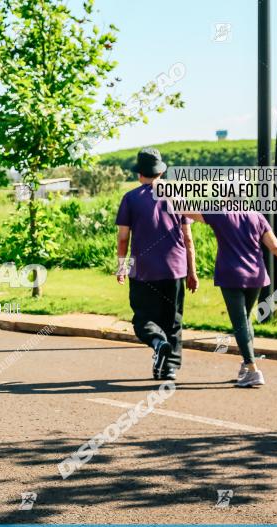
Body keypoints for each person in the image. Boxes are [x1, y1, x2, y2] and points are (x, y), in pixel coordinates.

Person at [184, 211, 277, 387]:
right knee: (246, 320)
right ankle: (246, 366)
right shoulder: (256, 216)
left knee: (240, 322)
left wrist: (164, 193)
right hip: (256, 276)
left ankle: (253, 370)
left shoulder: (220, 214)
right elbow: (275, 246)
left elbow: (186, 211)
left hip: (231, 277)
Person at [115, 147, 198, 380]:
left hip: (144, 272)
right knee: (173, 321)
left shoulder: (130, 199)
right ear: (160, 173)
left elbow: (123, 239)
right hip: (176, 270)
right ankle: (170, 368)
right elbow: (188, 239)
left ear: (140, 174)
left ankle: (157, 342)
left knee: (143, 319)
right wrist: (192, 272)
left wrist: (122, 268)